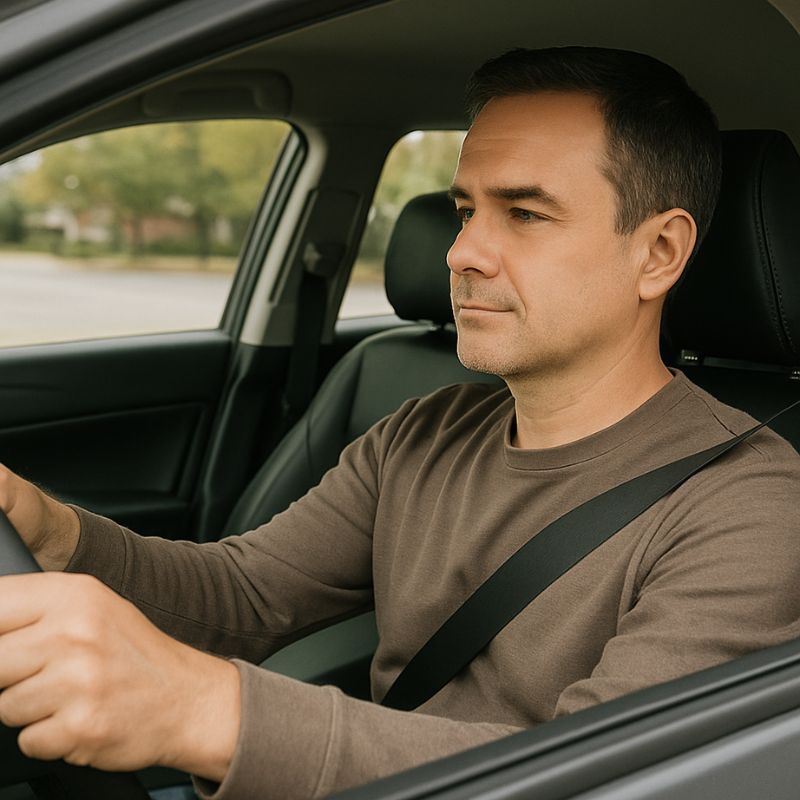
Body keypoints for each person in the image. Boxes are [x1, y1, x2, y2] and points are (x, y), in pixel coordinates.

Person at [0, 46, 799, 800]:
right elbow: (244, 596)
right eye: (464, 211)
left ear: (659, 252)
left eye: (523, 214)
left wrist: (210, 712)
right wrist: (57, 533)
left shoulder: (750, 508)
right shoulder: (426, 431)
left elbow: (603, 774)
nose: (462, 253)